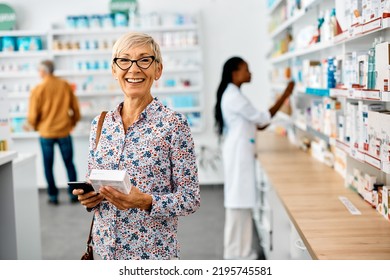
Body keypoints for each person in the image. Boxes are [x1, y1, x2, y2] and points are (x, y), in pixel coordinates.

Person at [72, 32, 201, 260]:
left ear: (158, 70)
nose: (133, 69)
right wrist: (89, 198)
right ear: (114, 70)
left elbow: (190, 198)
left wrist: (145, 201)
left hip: (151, 255)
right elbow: (93, 181)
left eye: (144, 60)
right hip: (105, 253)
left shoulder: (173, 125)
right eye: (124, 60)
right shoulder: (100, 124)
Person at [214, 56, 294, 259]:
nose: (250, 73)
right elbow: (262, 119)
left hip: (240, 151)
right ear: (235, 73)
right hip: (238, 153)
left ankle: (239, 252)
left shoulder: (233, 94)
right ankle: (236, 255)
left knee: (241, 203)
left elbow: (259, 123)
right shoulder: (234, 96)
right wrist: (286, 93)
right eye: (246, 69)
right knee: (238, 203)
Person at [28, 59, 81, 205]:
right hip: (64, 131)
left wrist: (35, 125)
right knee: (69, 163)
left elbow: (33, 115)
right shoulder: (64, 85)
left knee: (48, 166)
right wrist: (73, 122)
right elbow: (75, 109)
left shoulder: (38, 89)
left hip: (46, 133)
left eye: (39, 70)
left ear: (43, 71)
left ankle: (53, 196)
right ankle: (74, 195)